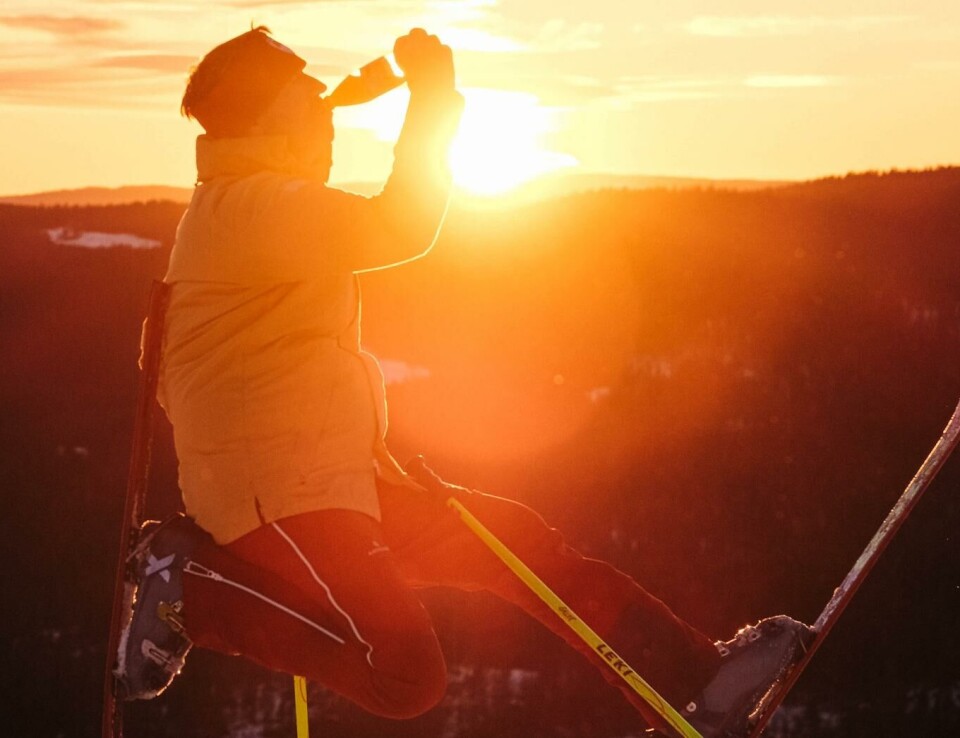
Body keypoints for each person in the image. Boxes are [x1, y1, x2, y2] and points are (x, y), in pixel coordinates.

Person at [115, 27, 812, 737]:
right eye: (307, 103)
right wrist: (432, 98)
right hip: (280, 500)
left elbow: (177, 366)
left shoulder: (247, 209)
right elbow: (401, 224)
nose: (326, 121)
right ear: (268, 115)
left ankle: (693, 683)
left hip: (328, 480)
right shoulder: (254, 206)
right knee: (405, 676)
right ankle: (190, 589)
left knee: (517, 549)